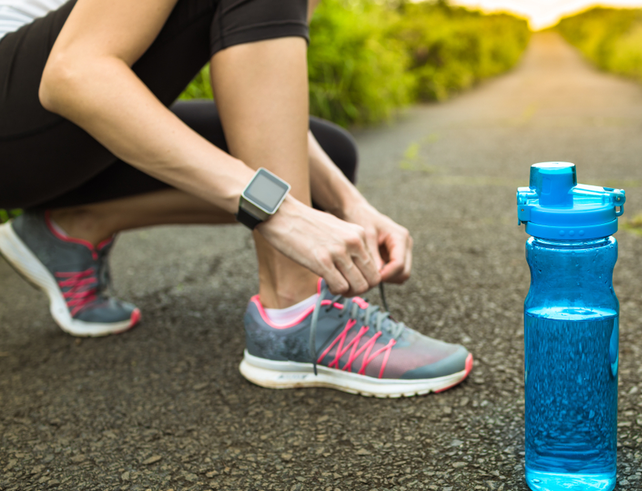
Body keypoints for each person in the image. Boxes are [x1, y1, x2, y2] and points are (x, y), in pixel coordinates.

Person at [0, 0, 473, 397]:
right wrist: (281, 211)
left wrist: (352, 205)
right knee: (295, 200)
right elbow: (72, 74)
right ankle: (295, 310)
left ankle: (71, 228)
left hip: (56, 138)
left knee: (331, 158)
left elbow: (260, 104)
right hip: (26, 115)